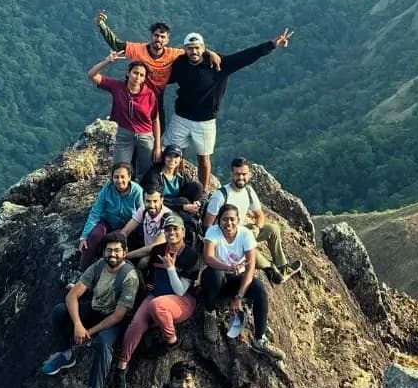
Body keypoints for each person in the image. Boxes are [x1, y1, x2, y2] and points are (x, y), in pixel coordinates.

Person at [166, 28, 294, 190]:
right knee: (175, 154)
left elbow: (246, 56)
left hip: (205, 121)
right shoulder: (180, 63)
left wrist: (272, 45)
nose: (194, 51)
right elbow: (161, 71)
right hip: (181, 117)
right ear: (185, 49)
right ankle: (174, 186)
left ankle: (202, 192)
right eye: (190, 48)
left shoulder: (219, 64)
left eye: (197, 47)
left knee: (204, 159)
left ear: (203, 48)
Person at [41, 234, 139, 388]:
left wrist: (88, 333)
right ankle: (66, 355)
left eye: (117, 250)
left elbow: (118, 315)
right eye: (109, 250)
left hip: (116, 320)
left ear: (125, 253)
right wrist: (78, 325)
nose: (113, 254)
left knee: (103, 342)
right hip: (95, 309)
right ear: (104, 251)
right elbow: (72, 296)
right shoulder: (99, 266)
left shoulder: (129, 277)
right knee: (60, 311)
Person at [115, 217, 203, 386]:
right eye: (168, 229)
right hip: (156, 295)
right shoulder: (160, 250)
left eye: (176, 229)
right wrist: (125, 256)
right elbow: (147, 251)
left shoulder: (190, 256)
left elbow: (181, 290)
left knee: (157, 305)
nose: (172, 233)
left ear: (183, 232)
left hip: (181, 301)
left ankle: (172, 341)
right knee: (135, 325)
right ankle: (122, 367)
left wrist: (170, 268)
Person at [205, 156, 301, 284]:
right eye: (237, 174)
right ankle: (269, 268)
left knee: (272, 229)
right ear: (232, 174)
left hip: (241, 230)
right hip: (225, 237)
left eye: (244, 174)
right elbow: (208, 224)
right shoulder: (220, 196)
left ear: (249, 175)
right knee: (247, 245)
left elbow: (260, 215)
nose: (240, 177)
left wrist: (257, 228)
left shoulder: (248, 191)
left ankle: (283, 266)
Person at [201, 205, 280, 357]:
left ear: (238, 220)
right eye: (224, 219)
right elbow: (208, 258)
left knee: (259, 289)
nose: (228, 223)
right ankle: (210, 312)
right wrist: (228, 267)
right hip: (218, 277)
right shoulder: (213, 232)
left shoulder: (245, 235)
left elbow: (250, 267)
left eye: (232, 219)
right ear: (219, 220)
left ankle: (259, 339)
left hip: (236, 279)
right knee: (214, 274)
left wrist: (239, 297)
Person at [87, 51, 161, 181]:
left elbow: (155, 120)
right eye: (135, 73)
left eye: (141, 75)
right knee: (120, 171)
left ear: (144, 78)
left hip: (145, 135)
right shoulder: (118, 87)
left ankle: (144, 198)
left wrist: (158, 146)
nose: (137, 77)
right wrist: (108, 61)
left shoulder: (149, 95)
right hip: (123, 134)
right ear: (128, 73)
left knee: (147, 173)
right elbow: (92, 75)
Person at [79, 163, 144, 266]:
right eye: (116, 177)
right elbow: (96, 212)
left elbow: (143, 213)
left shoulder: (137, 191)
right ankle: (82, 267)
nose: (119, 180)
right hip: (108, 223)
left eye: (123, 177)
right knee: (95, 236)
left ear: (129, 177)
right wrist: (84, 236)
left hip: (127, 226)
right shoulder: (107, 189)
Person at [147, 144, 204, 239]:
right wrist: (183, 206)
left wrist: (198, 203)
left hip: (179, 204)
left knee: (197, 186)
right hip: (161, 205)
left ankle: (194, 217)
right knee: (183, 202)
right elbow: (153, 200)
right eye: (169, 156)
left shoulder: (180, 174)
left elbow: (200, 191)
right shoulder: (155, 175)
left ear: (181, 159)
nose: (172, 159)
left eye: (176, 156)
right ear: (164, 157)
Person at [116, 184, 180, 257]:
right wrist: (117, 249)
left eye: (155, 201)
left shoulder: (168, 218)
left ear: (161, 200)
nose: (151, 205)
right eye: (148, 201)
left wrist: (125, 256)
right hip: (147, 250)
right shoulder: (143, 210)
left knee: (143, 262)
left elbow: (155, 247)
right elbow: (125, 231)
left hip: (163, 255)